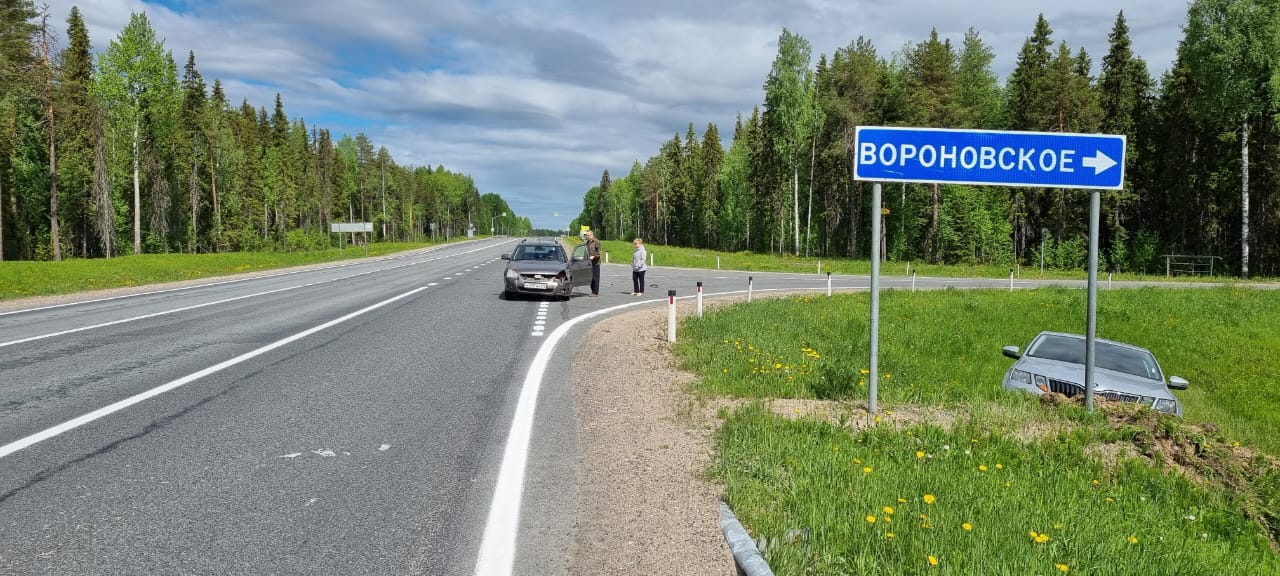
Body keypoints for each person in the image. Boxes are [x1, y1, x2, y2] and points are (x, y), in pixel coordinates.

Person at [584, 229, 601, 296]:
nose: (587, 236)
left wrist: (593, 257)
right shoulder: (587, 242)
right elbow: (586, 252)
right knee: (590, 278)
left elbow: (599, 253)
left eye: (588, 235)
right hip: (589, 263)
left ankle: (595, 292)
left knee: (595, 278)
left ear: (592, 235)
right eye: (586, 235)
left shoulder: (596, 242)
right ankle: (592, 291)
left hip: (596, 263)